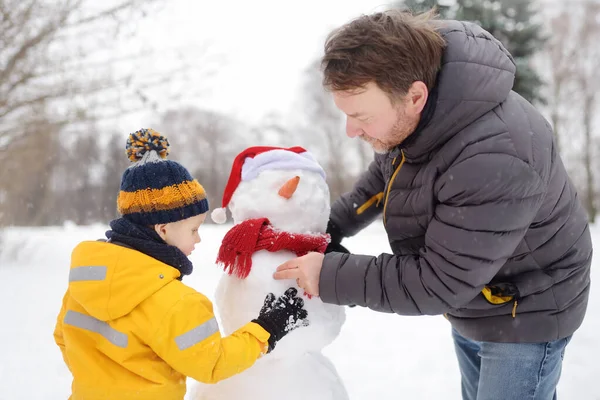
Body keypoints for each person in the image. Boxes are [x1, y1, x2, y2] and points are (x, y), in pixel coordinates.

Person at [274, 9, 592, 400]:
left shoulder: (495, 156)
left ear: (415, 96)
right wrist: (329, 226)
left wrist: (329, 275)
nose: (351, 131)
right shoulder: (423, 115)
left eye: (360, 116)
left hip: (525, 309)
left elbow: (437, 281)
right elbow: (385, 179)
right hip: (478, 295)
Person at [54, 128, 308, 400]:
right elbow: (211, 363)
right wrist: (267, 328)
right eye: (193, 229)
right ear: (163, 229)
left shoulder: (86, 283)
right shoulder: (176, 303)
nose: (198, 239)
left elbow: (63, 338)